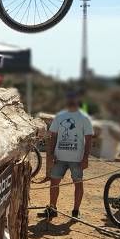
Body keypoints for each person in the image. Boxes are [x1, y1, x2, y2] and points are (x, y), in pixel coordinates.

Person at [43, 90, 93, 219]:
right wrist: (51, 153)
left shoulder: (84, 118)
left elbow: (89, 139)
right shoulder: (59, 116)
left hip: (77, 159)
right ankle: (52, 208)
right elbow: (53, 136)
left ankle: (76, 211)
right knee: (54, 182)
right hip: (59, 157)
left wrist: (86, 158)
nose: (72, 100)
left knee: (78, 183)